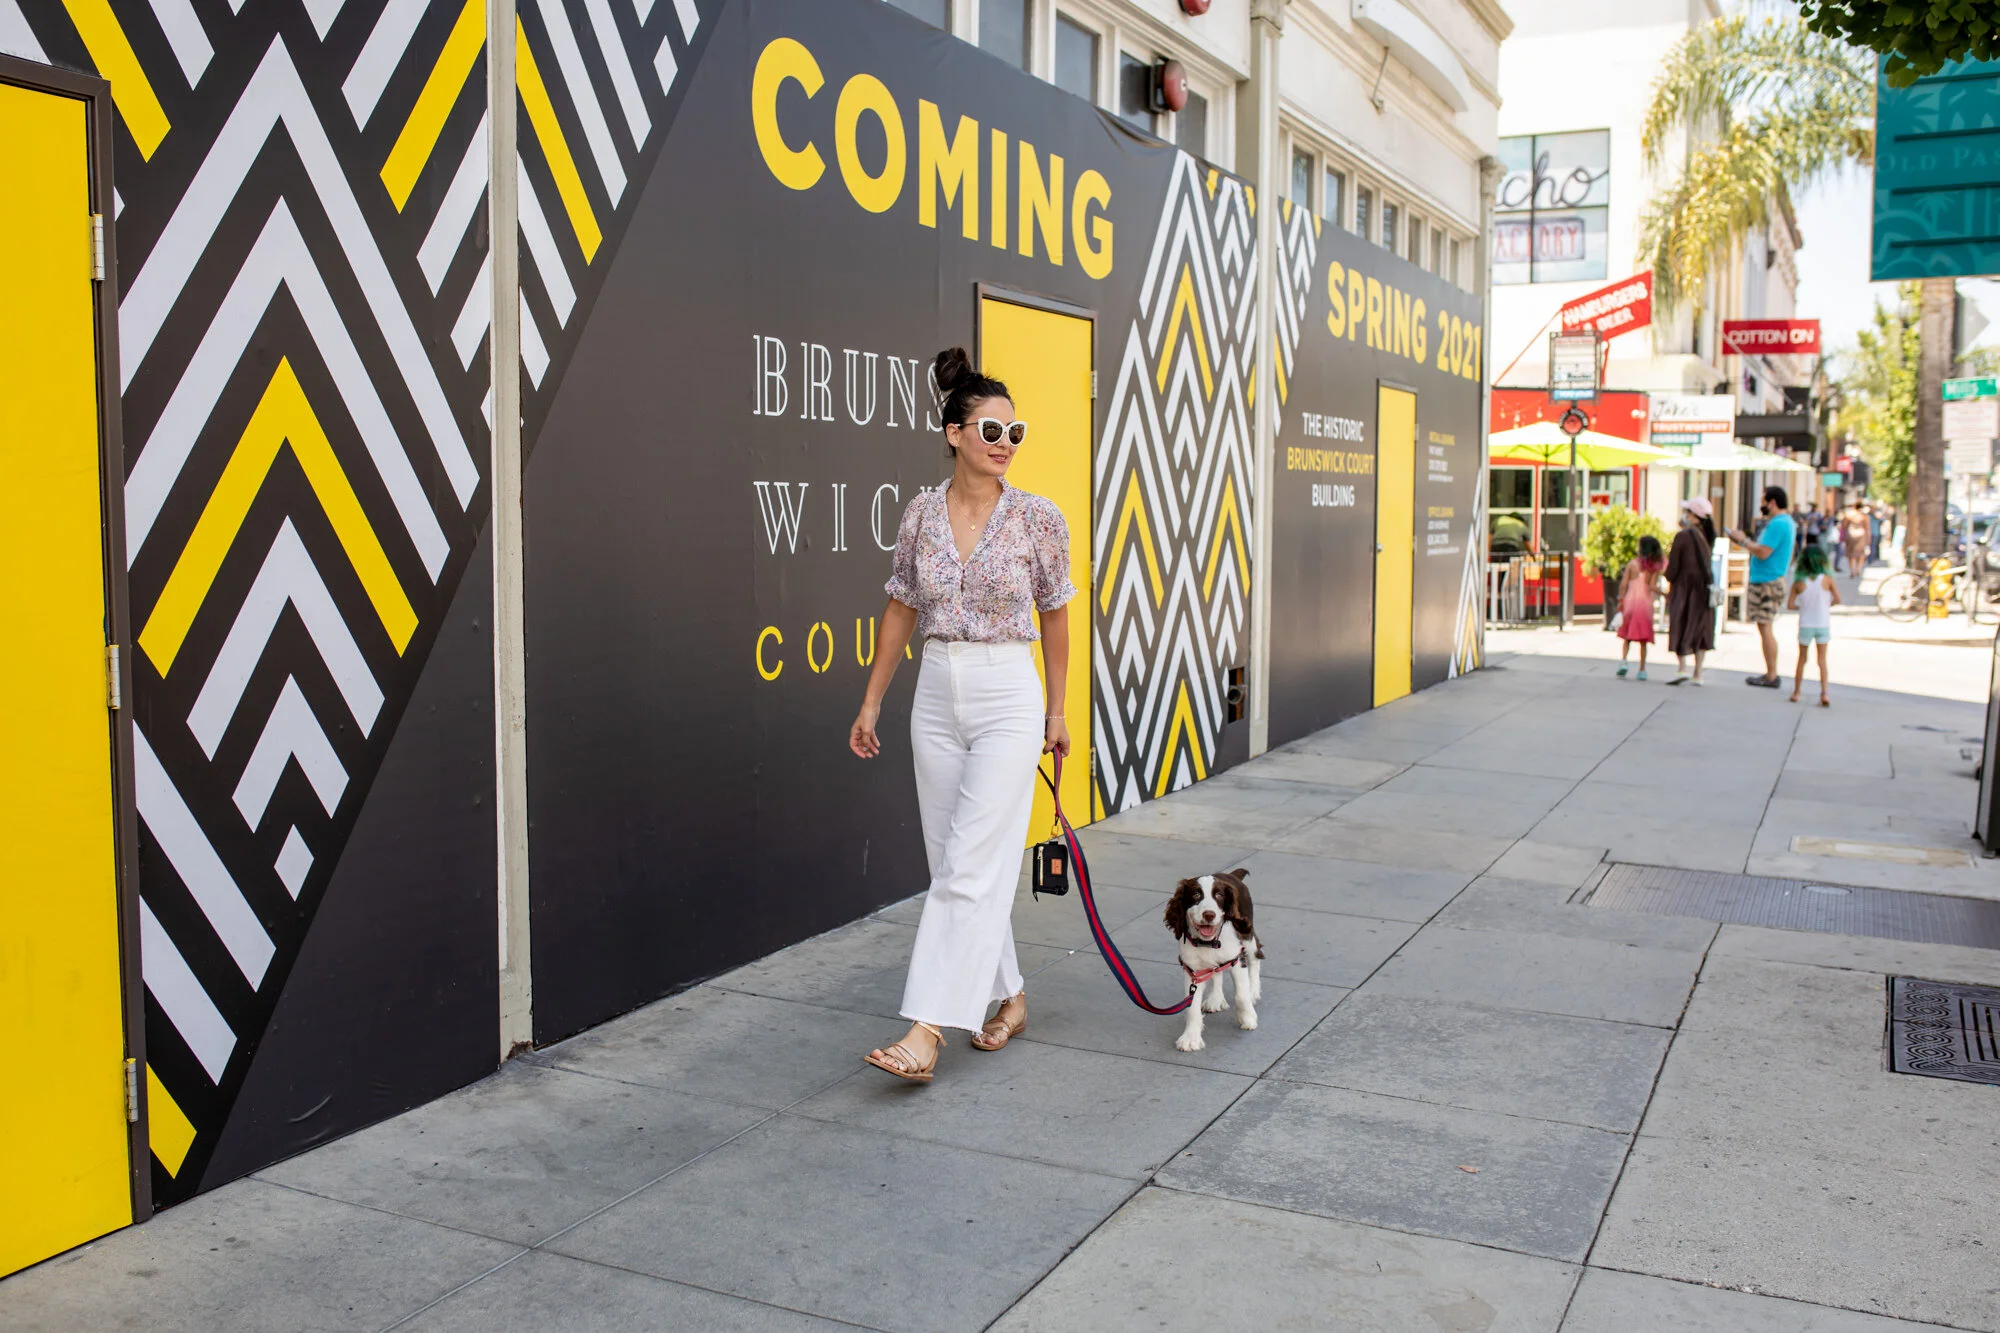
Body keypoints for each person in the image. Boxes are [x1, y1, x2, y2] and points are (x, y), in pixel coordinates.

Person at [848, 347, 1076, 1083]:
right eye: (992, 430)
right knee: (954, 861)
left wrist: (1058, 710)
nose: (1007, 443)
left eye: (1016, 433)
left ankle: (925, 1029)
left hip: (1009, 692)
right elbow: (900, 608)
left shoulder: (1038, 518)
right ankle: (1010, 997)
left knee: (971, 865)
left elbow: (1056, 617)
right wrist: (873, 700)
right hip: (937, 689)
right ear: (954, 433)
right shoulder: (921, 512)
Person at [1726, 486, 1797, 688]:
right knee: (1764, 627)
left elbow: (1763, 552)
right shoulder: (1785, 522)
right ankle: (1770, 673)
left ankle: (1772, 674)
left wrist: (1743, 541)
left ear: (1772, 503)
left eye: (1763, 502)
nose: (1762, 506)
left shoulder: (1779, 523)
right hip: (1770, 578)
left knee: (1765, 627)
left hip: (1768, 581)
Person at [1665, 498, 1714, 685]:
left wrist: (1667, 577)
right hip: (1703, 589)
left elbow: (1673, 568)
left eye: (1687, 512)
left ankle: (1682, 667)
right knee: (1701, 629)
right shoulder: (1708, 535)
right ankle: (1698, 673)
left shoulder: (1683, 536)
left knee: (1681, 623)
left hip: (1683, 588)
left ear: (1693, 515)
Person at [1787, 543, 1841, 706]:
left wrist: (1802, 606)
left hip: (1806, 624)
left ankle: (1797, 692)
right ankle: (1824, 693)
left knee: (1802, 659)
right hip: (1822, 623)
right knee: (1822, 660)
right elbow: (1838, 599)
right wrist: (1826, 605)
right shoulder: (1827, 580)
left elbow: (1790, 605)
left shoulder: (1799, 583)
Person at [1614, 535, 1666, 679]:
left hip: (1630, 602)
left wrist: (1621, 599)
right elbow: (1652, 586)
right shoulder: (1653, 568)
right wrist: (1665, 594)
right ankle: (1642, 669)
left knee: (1627, 636)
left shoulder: (1632, 565)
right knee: (1643, 639)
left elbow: (1623, 584)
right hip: (1645, 605)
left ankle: (1624, 661)